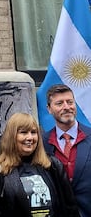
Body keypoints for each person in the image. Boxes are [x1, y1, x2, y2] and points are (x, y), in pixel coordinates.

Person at [0, 112, 79, 217]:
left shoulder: (52, 165)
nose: (30, 137)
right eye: (24, 132)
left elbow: (70, 206)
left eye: (33, 132)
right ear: (12, 136)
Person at [43, 84, 91, 217]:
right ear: (49, 109)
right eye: (59, 103)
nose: (66, 107)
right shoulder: (41, 143)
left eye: (70, 102)